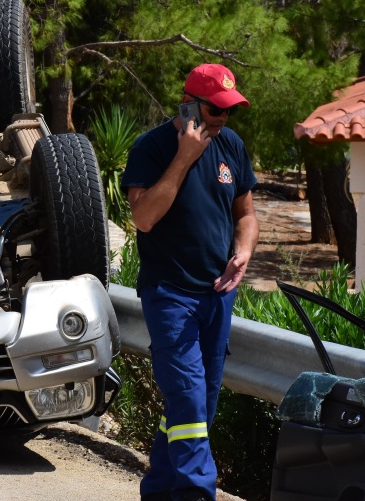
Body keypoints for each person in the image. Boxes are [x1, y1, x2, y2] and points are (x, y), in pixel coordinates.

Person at [121, 63, 259, 501]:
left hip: (217, 296)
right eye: (215, 111)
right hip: (170, 294)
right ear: (189, 104)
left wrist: (244, 250)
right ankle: (199, 494)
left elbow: (247, 215)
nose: (221, 120)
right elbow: (143, 219)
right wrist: (185, 157)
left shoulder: (232, 146)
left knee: (200, 406)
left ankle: (160, 490)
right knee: (187, 397)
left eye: (228, 111)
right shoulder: (153, 148)